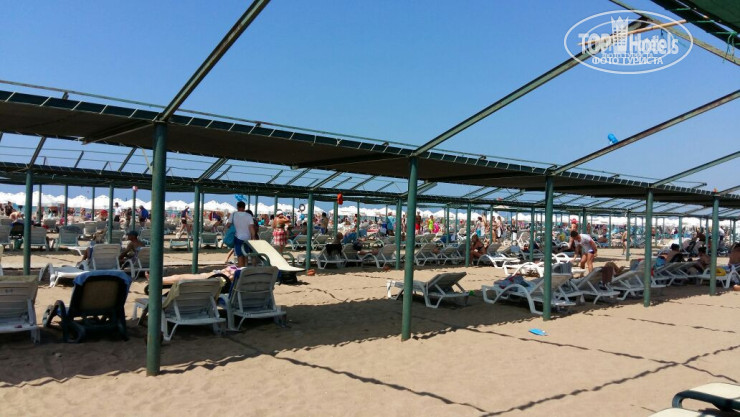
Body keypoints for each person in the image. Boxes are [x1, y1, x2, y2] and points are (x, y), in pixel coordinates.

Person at [228, 201, 256, 267]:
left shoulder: (233, 214)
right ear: (244, 207)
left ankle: (241, 270)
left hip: (238, 237)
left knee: (240, 255)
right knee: (245, 254)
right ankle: (245, 268)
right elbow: (251, 228)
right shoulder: (249, 215)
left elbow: (228, 225)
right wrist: (253, 237)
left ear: (237, 207)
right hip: (247, 238)